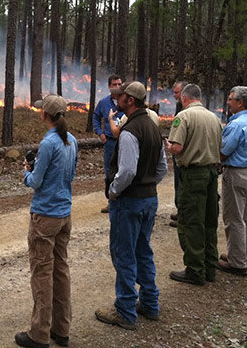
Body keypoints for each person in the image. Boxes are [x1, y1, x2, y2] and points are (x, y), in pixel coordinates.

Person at [95, 82, 167, 331]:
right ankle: (150, 303)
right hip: (149, 199)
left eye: (122, 96)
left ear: (131, 101)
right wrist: (148, 186)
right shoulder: (154, 128)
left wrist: (113, 192)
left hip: (129, 202)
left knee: (125, 254)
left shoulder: (129, 131)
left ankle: (125, 311)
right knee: (143, 251)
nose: (118, 99)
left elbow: (126, 171)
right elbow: (162, 169)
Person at [15, 95, 77, 348]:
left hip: (45, 216)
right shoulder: (72, 141)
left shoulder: (49, 143)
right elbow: (71, 174)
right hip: (64, 214)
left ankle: (39, 334)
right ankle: (61, 330)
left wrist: (26, 173)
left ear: (45, 115)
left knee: (42, 273)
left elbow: (36, 182)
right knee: (61, 270)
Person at [165, 84, 222, 286]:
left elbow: (178, 147)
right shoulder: (214, 118)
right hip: (211, 173)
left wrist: (169, 146)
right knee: (209, 221)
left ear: (185, 98)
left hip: (193, 174)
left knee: (190, 222)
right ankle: (210, 268)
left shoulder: (184, 116)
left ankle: (195, 270)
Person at [217, 86, 247, 276]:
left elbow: (223, 151)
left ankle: (237, 262)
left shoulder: (237, 125)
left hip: (238, 174)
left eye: (230, 99)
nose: (228, 102)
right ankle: (242, 255)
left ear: (240, 103)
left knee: (234, 218)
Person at [93, 75, 124, 213]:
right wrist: (100, 133)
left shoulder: (127, 101)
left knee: (125, 171)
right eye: (114, 84)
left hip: (125, 141)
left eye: (119, 84)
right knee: (110, 172)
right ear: (109, 86)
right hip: (111, 143)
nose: (117, 87)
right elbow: (95, 117)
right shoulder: (104, 102)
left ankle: (124, 201)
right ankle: (111, 201)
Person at [169, 81, 188, 227]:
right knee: (177, 182)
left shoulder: (187, 111)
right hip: (177, 153)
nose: (174, 95)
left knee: (184, 184)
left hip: (184, 154)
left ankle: (185, 215)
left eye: (177, 92)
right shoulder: (179, 107)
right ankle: (180, 209)